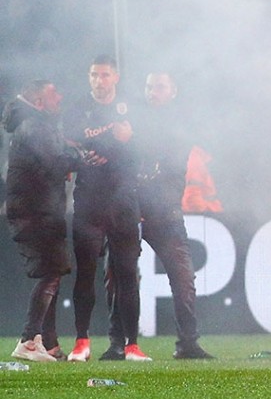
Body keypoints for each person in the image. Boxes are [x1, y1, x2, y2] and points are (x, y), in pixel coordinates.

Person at [103, 72, 214, 360]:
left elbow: (165, 149)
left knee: (183, 276)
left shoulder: (180, 121)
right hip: (130, 208)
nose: (153, 91)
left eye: (160, 87)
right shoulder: (133, 116)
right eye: (149, 86)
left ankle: (188, 342)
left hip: (164, 212)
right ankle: (118, 343)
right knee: (118, 275)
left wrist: (130, 138)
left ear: (173, 91)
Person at [63, 55, 150, 362]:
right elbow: (70, 147)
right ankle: (81, 341)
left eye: (104, 75)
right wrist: (110, 144)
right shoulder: (77, 108)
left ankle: (132, 345)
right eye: (94, 75)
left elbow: (143, 147)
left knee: (127, 272)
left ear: (115, 78)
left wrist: (124, 141)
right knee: (85, 272)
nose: (99, 81)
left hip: (123, 200)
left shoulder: (132, 108)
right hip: (88, 200)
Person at [4, 80, 84, 361]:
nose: (60, 96)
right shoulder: (35, 126)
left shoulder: (31, 125)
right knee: (51, 272)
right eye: (54, 93)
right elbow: (56, 162)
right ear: (39, 102)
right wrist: (81, 157)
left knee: (52, 272)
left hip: (36, 209)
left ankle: (47, 343)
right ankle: (28, 340)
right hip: (36, 211)